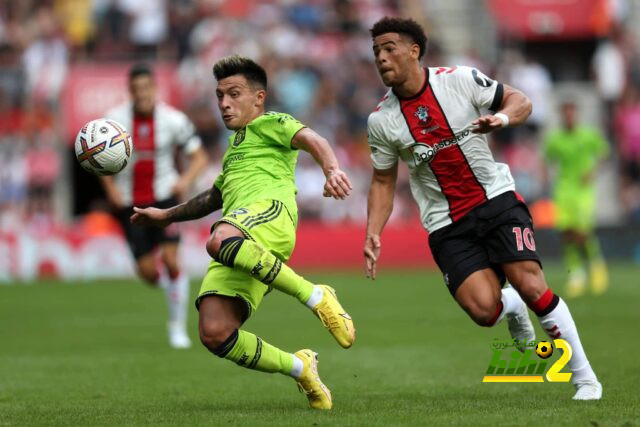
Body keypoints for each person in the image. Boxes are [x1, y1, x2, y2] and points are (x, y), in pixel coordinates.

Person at [364, 17, 602, 400]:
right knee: (483, 311)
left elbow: (520, 100)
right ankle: (510, 307)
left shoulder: (459, 79)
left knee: (530, 283)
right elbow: (382, 181)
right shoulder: (381, 120)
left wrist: (503, 118)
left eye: (389, 47)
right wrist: (373, 231)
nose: (381, 57)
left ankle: (585, 378)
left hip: (495, 199)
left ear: (414, 50)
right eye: (376, 51)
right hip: (445, 223)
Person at [129, 55, 355, 410]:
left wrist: (332, 169)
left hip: (270, 216)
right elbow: (214, 197)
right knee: (214, 333)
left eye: (233, 94)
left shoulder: (274, 122)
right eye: (219, 96)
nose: (224, 103)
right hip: (241, 238)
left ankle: (316, 295)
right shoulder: (234, 149)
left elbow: (313, 138)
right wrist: (165, 216)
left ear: (258, 97)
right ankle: (301, 368)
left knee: (218, 239)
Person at [100, 63, 208, 349]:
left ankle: (177, 328)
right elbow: (97, 159)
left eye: (147, 88)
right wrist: (110, 189)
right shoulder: (113, 121)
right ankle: (174, 287)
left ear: (155, 89)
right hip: (130, 203)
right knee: (149, 273)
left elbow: (199, 157)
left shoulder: (173, 120)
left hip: (164, 199)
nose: (142, 94)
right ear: (130, 91)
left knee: (172, 261)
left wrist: (184, 181)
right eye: (137, 89)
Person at [544, 100, 609, 297]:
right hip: (563, 190)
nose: (569, 116)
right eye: (566, 113)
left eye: (572, 112)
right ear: (562, 115)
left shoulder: (588, 135)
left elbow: (604, 153)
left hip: (583, 191)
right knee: (566, 233)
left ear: (577, 113)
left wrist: (593, 172)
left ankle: (596, 264)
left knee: (582, 231)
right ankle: (576, 274)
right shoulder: (555, 139)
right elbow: (546, 160)